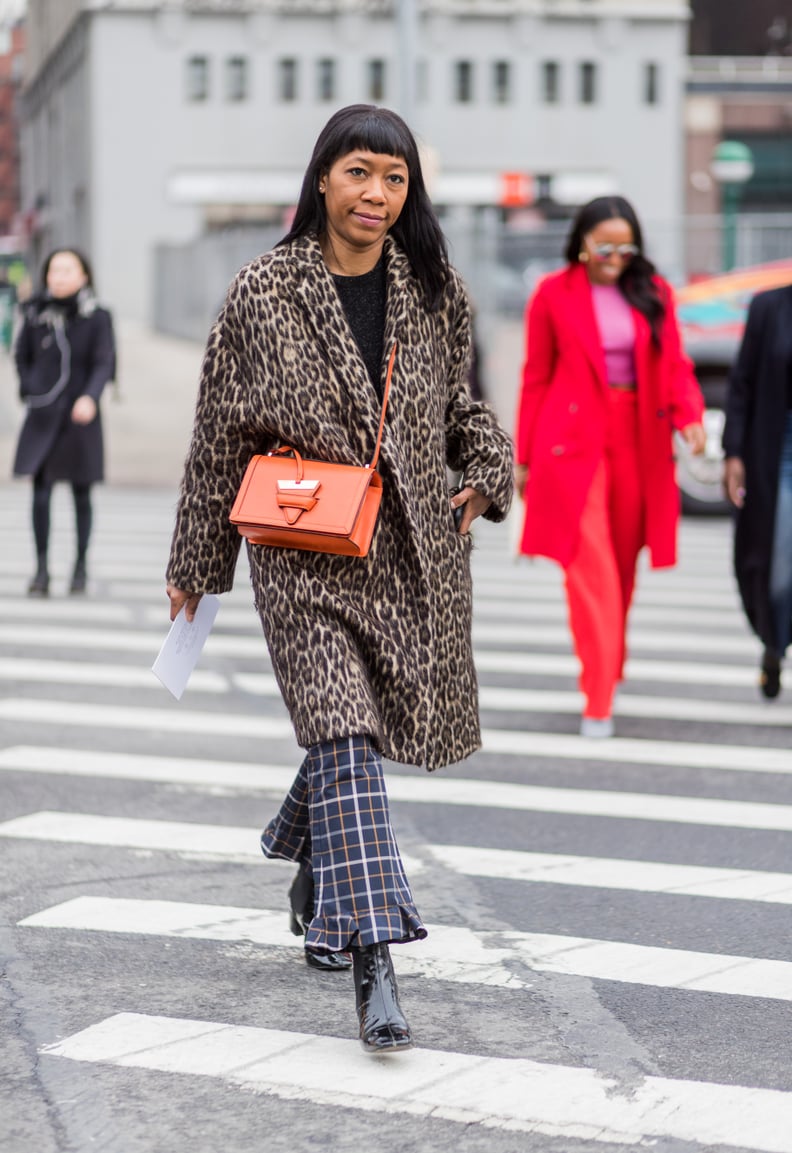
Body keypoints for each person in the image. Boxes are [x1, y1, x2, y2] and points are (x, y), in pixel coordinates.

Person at [165, 104, 513, 1052]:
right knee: (343, 721)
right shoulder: (263, 292)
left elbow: (460, 406)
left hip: (404, 547)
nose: (376, 195)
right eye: (360, 173)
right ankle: (374, 954)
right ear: (322, 177)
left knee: (351, 730)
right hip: (300, 547)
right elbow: (217, 437)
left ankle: (312, 847)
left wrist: (486, 475)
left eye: (395, 180)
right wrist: (196, 563)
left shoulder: (435, 290)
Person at [514, 196, 705, 738]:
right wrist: (523, 458)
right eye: (605, 245)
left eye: (626, 246)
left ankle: (607, 666)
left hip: (640, 438)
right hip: (570, 441)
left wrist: (690, 416)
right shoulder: (553, 293)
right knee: (589, 567)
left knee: (621, 569)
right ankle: (597, 694)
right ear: (582, 242)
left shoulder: (654, 292)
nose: (616, 256)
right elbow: (535, 377)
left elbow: (676, 367)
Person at [12, 248, 116, 596]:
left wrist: (90, 396)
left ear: (83, 275)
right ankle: (41, 570)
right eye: (54, 270)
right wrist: (29, 388)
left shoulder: (98, 316)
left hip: (80, 418)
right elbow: (21, 356)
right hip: (42, 416)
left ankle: (80, 567)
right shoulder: (33, 312)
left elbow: (104, 362)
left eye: (68, 269)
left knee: (81, 494)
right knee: (40, 494)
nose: (59, 276)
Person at [723, 285, 792, 699]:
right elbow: (742, 382)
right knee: (780, 569)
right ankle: (775, 642)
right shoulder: (770, 306)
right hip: (780, 450)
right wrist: (734, 451)